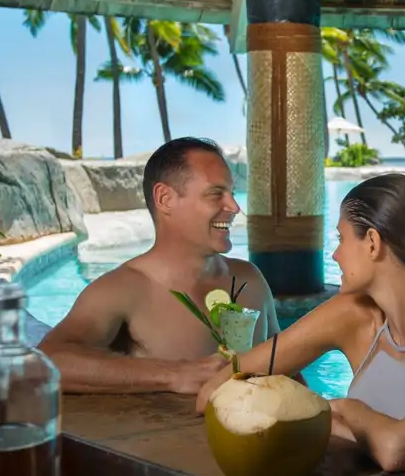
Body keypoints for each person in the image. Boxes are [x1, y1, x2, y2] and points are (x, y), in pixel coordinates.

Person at [196, 173, 405, 475]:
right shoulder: (352, 316)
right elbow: (216, 390)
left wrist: (344, 410)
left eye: (342, 238)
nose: (335, 254)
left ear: (372, 242)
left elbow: (398, 450)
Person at [39, 137, 282, 395]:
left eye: (232, 193)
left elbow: (286, 370)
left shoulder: (250, 280)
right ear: (165, 199)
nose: (234, 207)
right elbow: (47, 362)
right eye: (215, 194)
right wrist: (173, 374)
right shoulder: (122, 290)